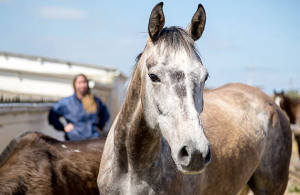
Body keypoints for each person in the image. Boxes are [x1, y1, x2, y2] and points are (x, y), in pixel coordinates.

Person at [48, 74, 110, 141]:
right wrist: (63, 128)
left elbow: (105, 114)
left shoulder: (95, 100)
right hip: (74, 141)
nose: (82, 85)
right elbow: (52, 115)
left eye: (84, 82)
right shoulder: (66, 102)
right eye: (79, 83)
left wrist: (99, 126)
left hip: (93, 140)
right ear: (74, 85)